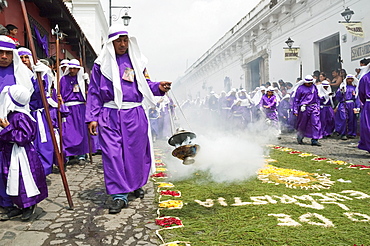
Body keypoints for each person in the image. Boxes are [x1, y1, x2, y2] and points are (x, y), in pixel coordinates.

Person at [85, 25, 171, 214]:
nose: (122, 44)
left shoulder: (138, 62)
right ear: (110, 43)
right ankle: (118, 194)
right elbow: (93, 92)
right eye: (118, 41)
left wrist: (159, 87)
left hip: (134, 114)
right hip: (109, 114)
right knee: (112, 154)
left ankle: (134, 184)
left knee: (135, 153)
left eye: (125, 40)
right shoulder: (101, 66)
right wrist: (92, 117)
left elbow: (146, 84)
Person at [0, 84, 48, 220]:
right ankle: (18, 205)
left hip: (22, 154)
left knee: (23, 178)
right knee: (10, 178)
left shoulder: (21, 116)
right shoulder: (10, 114)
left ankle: (29, 205)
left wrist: (7, 128)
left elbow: (24, 137)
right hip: (9, 152)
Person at [60, 59, 89, 165]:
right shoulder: (63, 79)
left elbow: (89, 93)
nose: (72, 70)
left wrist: (87, 83)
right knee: (67, 132)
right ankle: (68, 154)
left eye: (75, 68)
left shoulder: (81, 79)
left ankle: (81, 155)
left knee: (81, 131)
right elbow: (60, 94)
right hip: (68, 109)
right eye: (70, 68)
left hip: (80, 108)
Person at [292, 75, 322, 146]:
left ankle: (315, 139)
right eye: (308, 83)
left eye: (311, 82)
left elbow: (317, 97)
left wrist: (318, 106)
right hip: (304, 108)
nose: (310, 84)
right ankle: (300, 136)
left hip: (314, 107)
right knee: (303, 123)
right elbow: (296, 100)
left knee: (315, 122)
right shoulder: (300, 88)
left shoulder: (314, 87)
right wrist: (295, 110)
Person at [334, 74, 360, 140]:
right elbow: (338, 97)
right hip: (343, 104)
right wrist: (341, 91)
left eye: (351, 79)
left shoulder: (355, 88)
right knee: (344, 118)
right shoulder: (342, 87)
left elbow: (357, 98)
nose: (350, 80)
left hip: (352, 104)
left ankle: (351, 133)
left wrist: (358, 106)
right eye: (349, 79)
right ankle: (343, 133)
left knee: (352, 119)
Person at [358, 66, 370, 153]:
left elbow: (361, 94)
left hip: (368, 104)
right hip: (368, 104)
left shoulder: (364, 78)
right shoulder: (365, 78)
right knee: (367, 127)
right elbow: (361, 93)